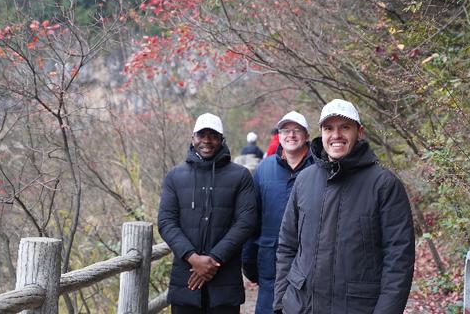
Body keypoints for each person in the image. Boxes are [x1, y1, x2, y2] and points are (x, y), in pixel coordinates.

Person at [274, 99, 415, 314]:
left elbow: (398, 261)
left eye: (345, 127)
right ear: (321, 133)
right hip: (301, 307)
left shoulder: (384, 185)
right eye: (329, 128)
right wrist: (281, 304)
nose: (336, 135)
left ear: (360, 132)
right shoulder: (304, 180)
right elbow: (287, 245)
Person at [158, 113, 257, 314]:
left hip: (225, 280)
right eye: (201, 135)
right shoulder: (175, 176)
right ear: (192, 138)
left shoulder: (240, 176)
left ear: (221, 139)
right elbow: (166, 222)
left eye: (213, 135)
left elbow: (246, 221)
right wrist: (193, 258)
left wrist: (212, 260)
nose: (206, 141)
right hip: (186, 281)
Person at [242, 111, 315, 314]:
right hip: (269, 263)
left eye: (297, 130)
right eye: (285, 130)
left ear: (307, 135)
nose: (291, 135)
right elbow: (252, 219)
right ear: (279, 135)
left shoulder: (319, 167)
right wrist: (248, 259)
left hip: (311, 264)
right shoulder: (264, 170)